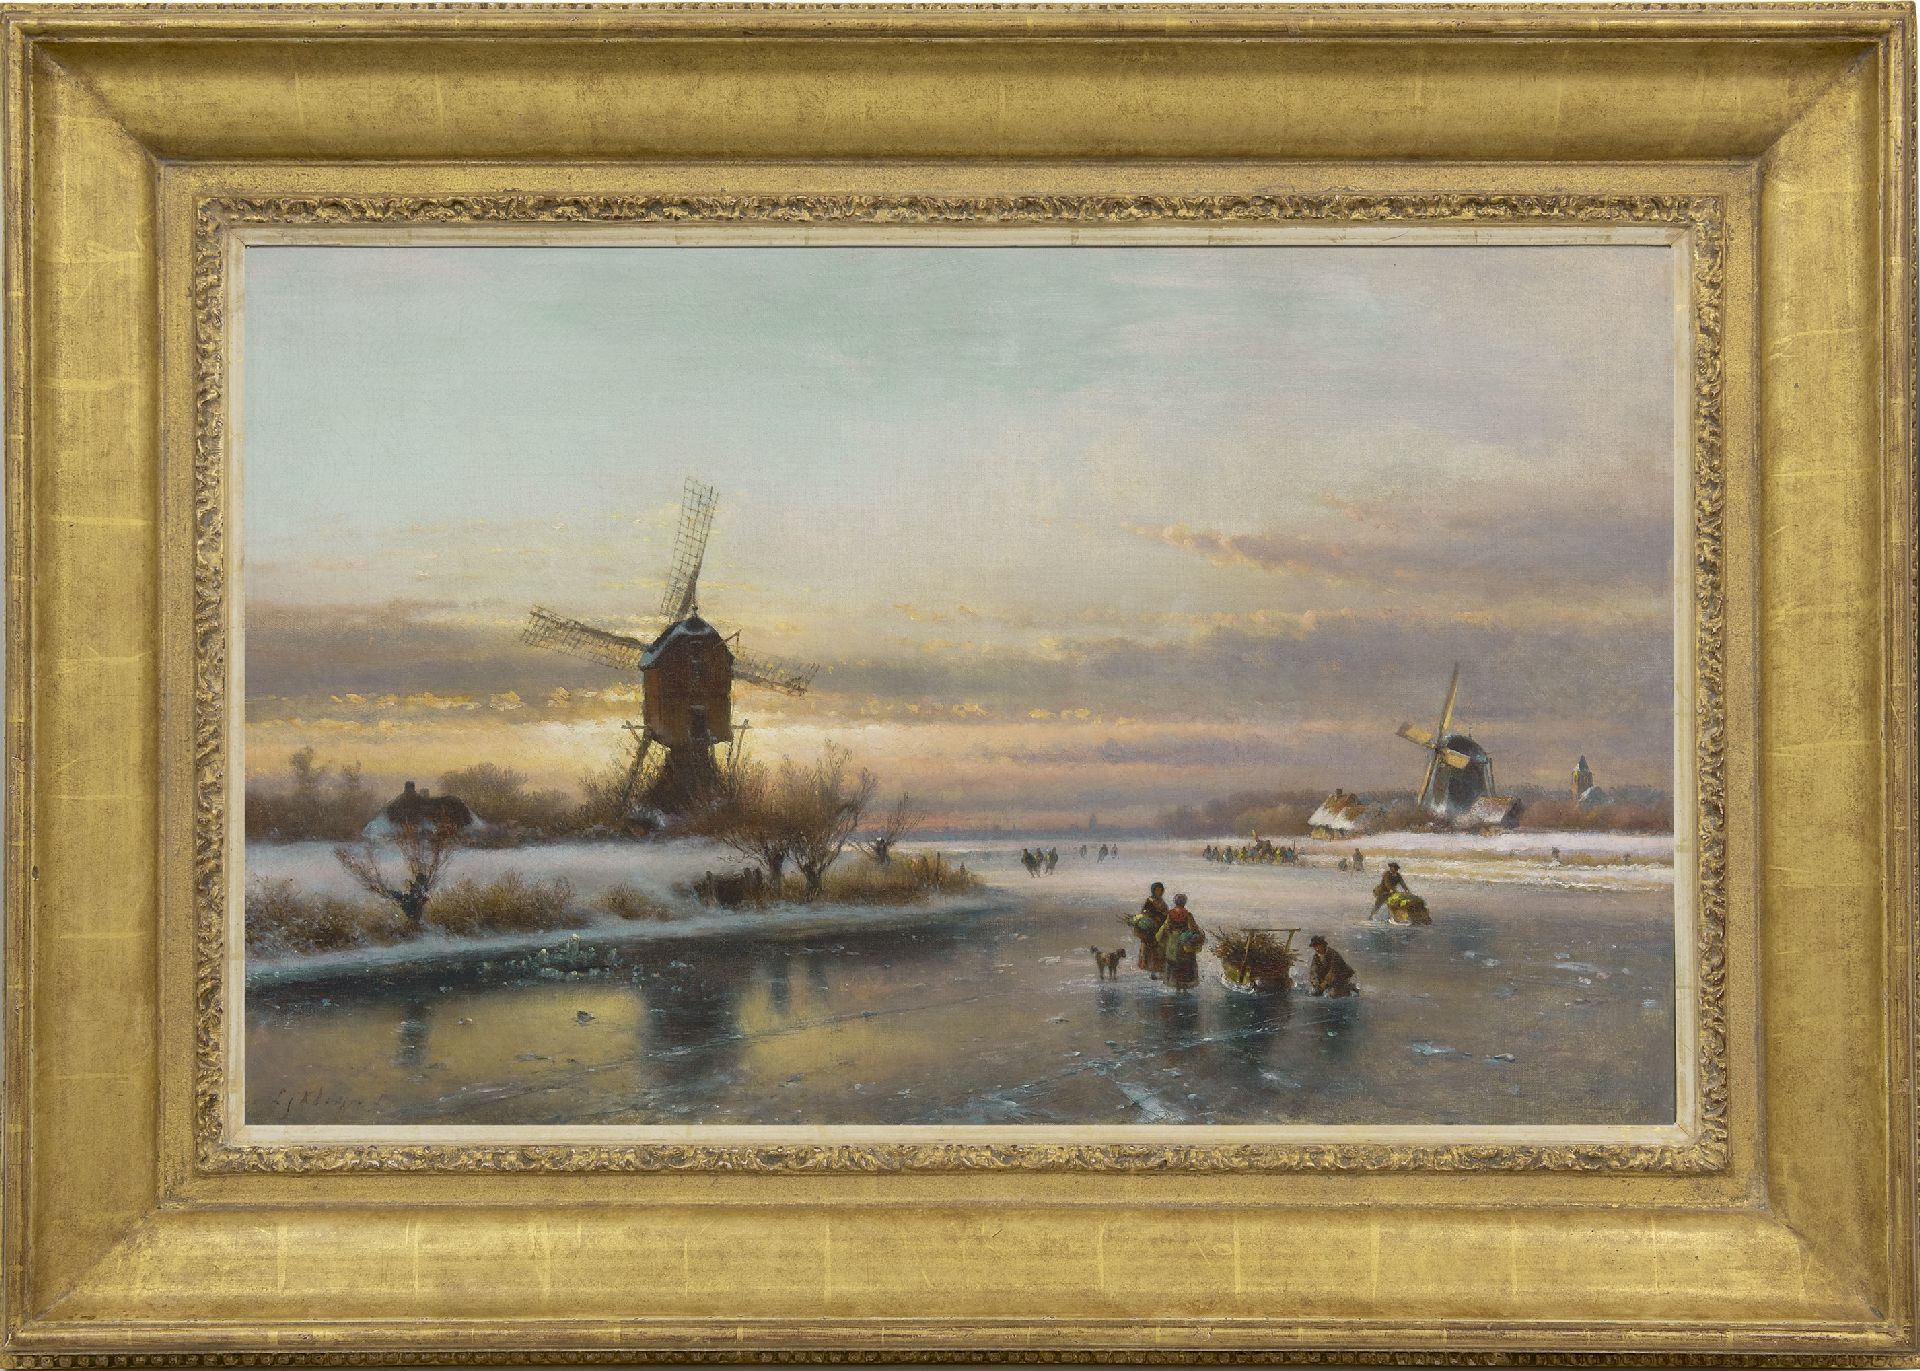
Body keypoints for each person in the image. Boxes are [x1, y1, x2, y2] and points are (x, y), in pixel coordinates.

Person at [1156, 895, 1205, 991]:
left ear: (1175, 902)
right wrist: (1197, 935)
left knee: (1174, 964)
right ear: (1184, 902)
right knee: (1186, 965)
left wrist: (1170, 935)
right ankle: (1184, 988)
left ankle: (1176, 986)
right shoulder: (1187, 914)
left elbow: (1166, 927)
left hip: (1173, 943)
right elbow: (1193, 928)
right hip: (1184, 944)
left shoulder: (1170, 914)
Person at [1131, 882, 1170, 978]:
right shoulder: (1149, 900)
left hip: (1160, 928)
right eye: (1157, 890)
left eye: (1160, 890)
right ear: (1153, 891)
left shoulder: (1162, 901)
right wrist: (1153, 917)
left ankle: (1160, 970)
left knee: (1161, 949)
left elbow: (1166, 912)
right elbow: (1144, 913)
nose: (1159, 892)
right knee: (1151, 950)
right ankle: (1152, 971)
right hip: (1151, 929)